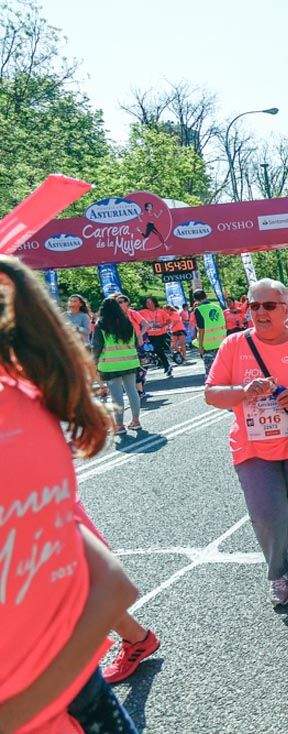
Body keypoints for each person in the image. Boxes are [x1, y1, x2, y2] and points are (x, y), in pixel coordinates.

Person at [0, 255, 141, 734]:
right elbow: (110, 583)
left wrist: (17, 712)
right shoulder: (25, 399)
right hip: (79, 692)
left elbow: (111, 584)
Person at [204, 278, 288, 610]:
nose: (261, 313)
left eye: (269, 306)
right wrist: (244, 391)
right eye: (254, 306)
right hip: (253, 448)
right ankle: (278, 573)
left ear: (286, 308)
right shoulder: (234, 345)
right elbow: (211, 394)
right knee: (268, 516)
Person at [92, 296, 143, 433]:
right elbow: (136, 343)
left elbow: (96, 347)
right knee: (132, 391)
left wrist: (94, 362)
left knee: (116, 396)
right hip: (130, 363)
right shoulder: (127, 323)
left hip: (111, 366)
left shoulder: (100, 326)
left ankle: (119, 425)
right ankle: (136, 421)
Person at [193, 289, 227, 373]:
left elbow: (201, 329)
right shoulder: (218, 307)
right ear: (206, 296)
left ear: (196, 300)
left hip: (208, 346)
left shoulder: (199, 310)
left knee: (211, 372)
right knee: (223, 370)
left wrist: (200, 346)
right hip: (221, 343)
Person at [139, 296, 173, 377]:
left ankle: (166, 365)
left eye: (150, 302)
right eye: (147, 303)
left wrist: (162, 325)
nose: (149, 304)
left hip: (161, 334)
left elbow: (169, 320)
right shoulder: (142, 312)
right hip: (149, 335)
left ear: (154, 302)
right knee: (154, 350)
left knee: (158, 349)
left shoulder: (161, 311)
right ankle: (164, 364)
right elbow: (135, 318)